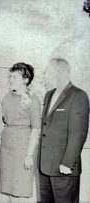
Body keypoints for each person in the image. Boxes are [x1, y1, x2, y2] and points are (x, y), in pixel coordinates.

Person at [38, 58, 89, 203]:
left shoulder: (78, 95)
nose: (45, 76)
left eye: (47, 72)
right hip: (45, 167)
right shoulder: (49, 94)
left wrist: (67, 163)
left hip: (63, 168)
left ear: (58, 73)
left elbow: (78, 133)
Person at [0, 63, 41, 203]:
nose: (10, 79)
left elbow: (35, 129)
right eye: (10, 76)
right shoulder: (6, 97)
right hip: (7, 145)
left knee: (21, 188)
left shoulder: (33, 99)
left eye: (14, 77)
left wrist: (29, 155)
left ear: (25, 80)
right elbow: (3, 121)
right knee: (8, 187)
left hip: (23, 146)